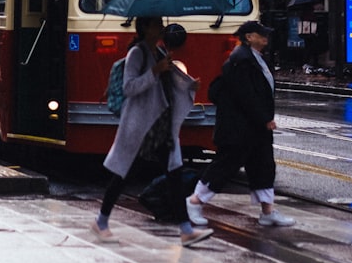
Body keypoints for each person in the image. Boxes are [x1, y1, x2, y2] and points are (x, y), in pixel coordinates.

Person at [92, 16, 213, 247]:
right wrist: (155, 70)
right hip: (142, 125)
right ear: (145, 27)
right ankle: (101, 221)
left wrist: (189, 85)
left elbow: (167, 84)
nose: (161, 27)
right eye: (157, 23)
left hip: (160, 124)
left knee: (174, 175)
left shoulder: (157, 51)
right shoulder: (137, 53)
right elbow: (130, 87)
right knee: (122, 175)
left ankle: (186, 230)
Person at [186, 21, 295, 228]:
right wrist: (264, 118)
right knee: (226, 165)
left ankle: (268, 211)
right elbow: (246, 95)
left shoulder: (256, 58)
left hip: (253, 127)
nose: (265, 37)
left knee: (263, 166)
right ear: (249, 37)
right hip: (240, 127)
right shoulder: (241, 60)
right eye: (261, 34)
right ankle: (194, 201)